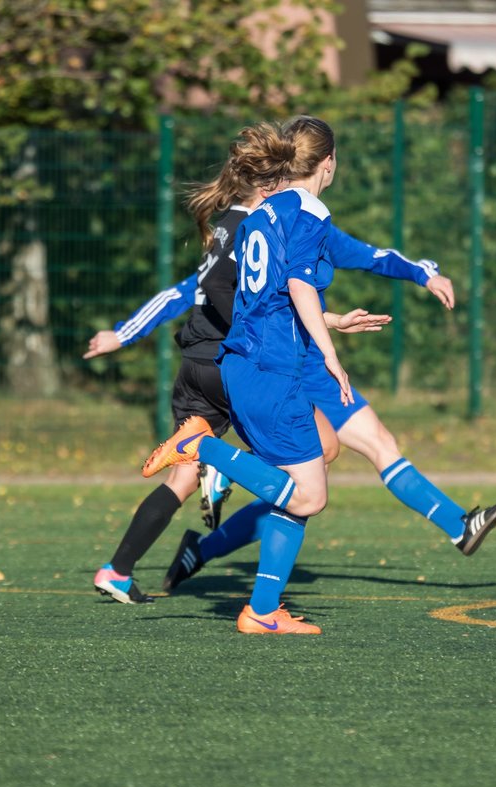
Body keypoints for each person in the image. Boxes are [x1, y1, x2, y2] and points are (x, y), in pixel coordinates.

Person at [87, 122, 386, 605]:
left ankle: (117, 570)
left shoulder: (225, 225)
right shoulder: (268, 223)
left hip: (194, 365)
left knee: (180, 480)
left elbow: (185, 292)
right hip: (233, 364)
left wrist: (123, 333)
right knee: (322, 452)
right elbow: (251, 301)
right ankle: (222, 473)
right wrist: (325, 330)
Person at [142, 115, 350, 634]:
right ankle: (200, 447)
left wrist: (331, 321)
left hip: (243, 362)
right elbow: (300, 288)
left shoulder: (259, 215)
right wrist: (330, 352)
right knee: (310, 494)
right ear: (328, 164)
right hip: (272, 371)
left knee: (300, 486)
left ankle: (262, 610)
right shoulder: (308, 212)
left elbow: (262, 301)